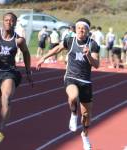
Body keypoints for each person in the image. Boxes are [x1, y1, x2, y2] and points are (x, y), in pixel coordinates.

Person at [36, 18, 100, 150]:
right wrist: (43, 58)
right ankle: (73, 114)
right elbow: (57, 49)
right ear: (75, 29)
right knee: (72, 96)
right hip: (71, 77)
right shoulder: (70, 40)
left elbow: (97, 65)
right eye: (79, 28)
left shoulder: (92, 44)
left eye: (84, 28)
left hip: (86, 82)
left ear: (88, 31)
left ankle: (85, 135)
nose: (81, 30)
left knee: (87, 116)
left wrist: (88, 55)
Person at [0, 12, 32, 144]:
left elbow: (26, 53)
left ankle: (1, 131)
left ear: (15, 22)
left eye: (12, 20)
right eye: (6, 20)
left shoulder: (18, 39)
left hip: (9, 72)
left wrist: (28, 72)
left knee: (6, 97)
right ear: (3, 22)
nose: (9, 22)